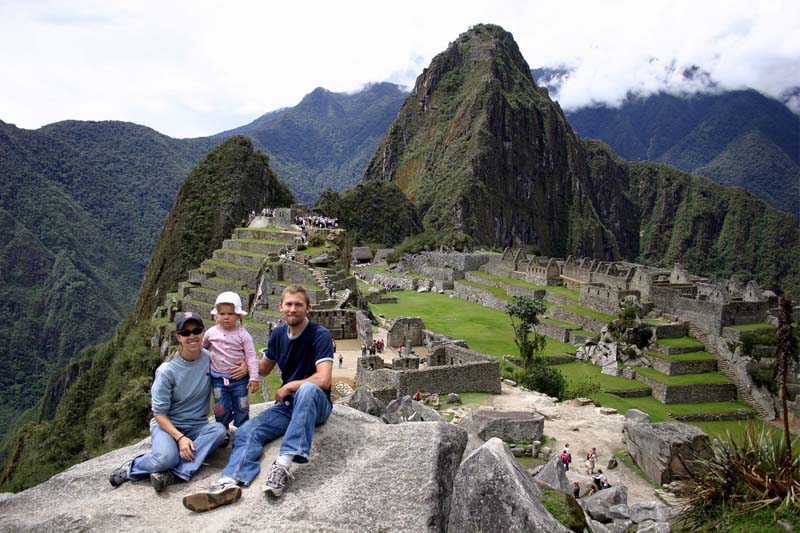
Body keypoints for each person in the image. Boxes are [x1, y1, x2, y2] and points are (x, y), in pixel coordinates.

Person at [183, 285, 334, 512]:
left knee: (307, 390)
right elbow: (264, 368)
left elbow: (323, 379)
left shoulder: (319, 335)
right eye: (289, 304)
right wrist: (246, 365)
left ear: (308, 308)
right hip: (289, 405)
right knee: (247, 431)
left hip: (316, 403)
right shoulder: (278, 335)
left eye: (298, 305)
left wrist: (291, 385)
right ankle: (230, 481)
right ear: (281, 307)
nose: (293, 309)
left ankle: (283, 464)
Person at [109, 312, 227, 493]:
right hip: (168, 426)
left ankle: (172, 474)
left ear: (203, 332)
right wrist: (180, 438)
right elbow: (159, 414)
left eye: (196, 331)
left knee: (219, 431)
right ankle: (133, 467)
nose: (192, 336)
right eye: (186, 333)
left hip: (197, 426)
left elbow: (235, 362)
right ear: (178, 337)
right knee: (165, 458)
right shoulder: (167, 371)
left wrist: (244, 366)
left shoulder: (210, 358)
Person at [203, 292, 259, 433]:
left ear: (238, 315)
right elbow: (203, 349)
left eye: (230, 314)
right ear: (217, 315)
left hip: (239, 380)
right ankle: (223, 430)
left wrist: (254, 378)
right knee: (220, 407)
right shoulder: (211, 333)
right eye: (222, 314)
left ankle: (243, 430)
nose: (226, 317)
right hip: (218, 379)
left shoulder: (243, 335)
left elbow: (251, 356)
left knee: (242, 406)